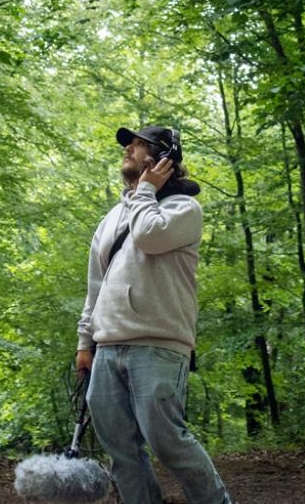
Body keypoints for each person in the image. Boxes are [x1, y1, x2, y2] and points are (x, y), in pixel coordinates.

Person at [75, 124, 233, 504]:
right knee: (122, 452)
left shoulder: (184, 208)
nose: (128, 149)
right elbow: (96, 284)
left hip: (159, 346)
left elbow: (150, 235)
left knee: (168, 443)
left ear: (163, 159)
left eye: (139, 144)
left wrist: (145, 191)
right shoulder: (111, 217)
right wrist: (85, 341)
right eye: (128, 143)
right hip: (108, 346)